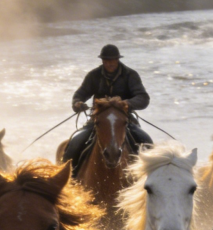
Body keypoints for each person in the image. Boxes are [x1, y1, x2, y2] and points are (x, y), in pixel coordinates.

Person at [62, 44, 153, 173]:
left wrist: (126, 103)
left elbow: (143, 98)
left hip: (124, 120)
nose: (110, 63)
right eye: (106, 60)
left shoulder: (130, 75)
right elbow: (79, 95)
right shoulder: (93, 75)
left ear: (118, 59)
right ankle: (69, 177)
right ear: (102, 60)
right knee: (75, 142)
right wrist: (78, 103)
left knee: (147, 142)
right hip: (98, 120)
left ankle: (150, 178)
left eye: (113, 60)